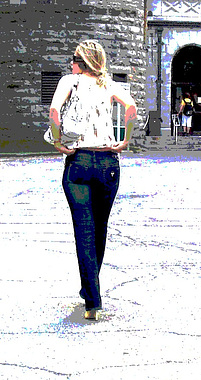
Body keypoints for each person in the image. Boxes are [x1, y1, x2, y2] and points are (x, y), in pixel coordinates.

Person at [48, 40, 137, 320]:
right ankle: (91, 292)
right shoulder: (108, 85)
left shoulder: (69, 81)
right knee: (99, 229)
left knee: (83, 230)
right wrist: (124, 141)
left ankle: (92, 300)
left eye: (74, 58)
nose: (71, 63)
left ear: (82, 61)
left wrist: (59, 143)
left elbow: (53, 112)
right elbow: (131, 107)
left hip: (80, 162)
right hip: (109, 163)